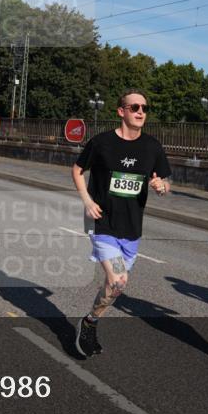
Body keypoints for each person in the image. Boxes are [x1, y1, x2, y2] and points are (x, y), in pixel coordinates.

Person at [72, 89, 171, 358]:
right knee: (118, 281)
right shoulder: (102, 142)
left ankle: (89, 322)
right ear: (121, 111)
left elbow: (165, 180)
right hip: (102, 222)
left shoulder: (152, 147)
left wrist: (162, 185)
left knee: (114, 287)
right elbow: (77, 170)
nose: (141, 112)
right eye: (134, 107)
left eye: (144, 108)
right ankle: (89, 324)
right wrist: (87, 201)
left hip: (132, 228)